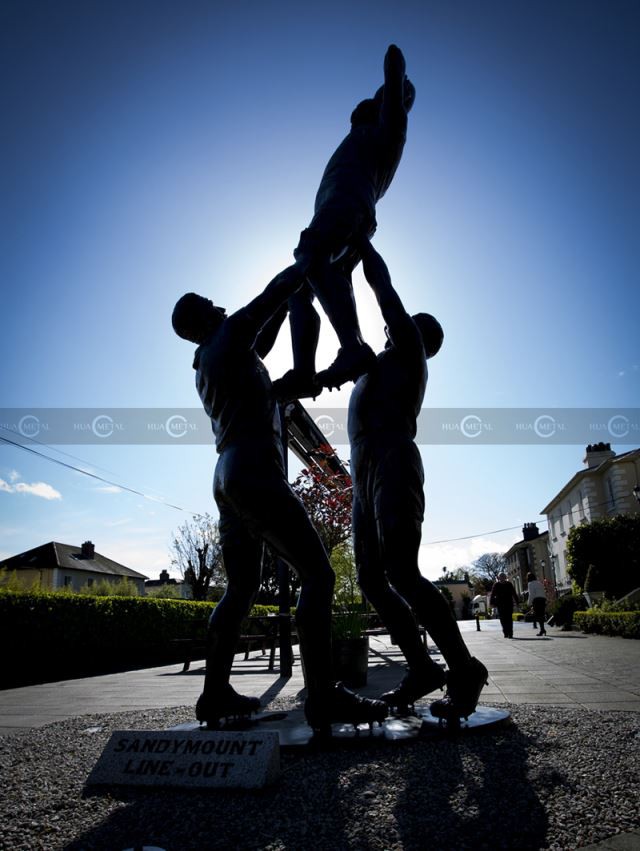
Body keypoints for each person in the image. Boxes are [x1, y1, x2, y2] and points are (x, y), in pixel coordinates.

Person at [171, 263, 387, 735]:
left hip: (225, 475)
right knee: (319, 574)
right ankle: (324, 695)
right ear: (200, 320)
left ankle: (214, 693)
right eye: (207, 303)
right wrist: (311, 257)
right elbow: (276, 292)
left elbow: (264, 340)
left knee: (241, 589)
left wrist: (295, 360)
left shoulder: (212, 357)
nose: (217, 303)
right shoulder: (227, 335)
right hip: (253, 469)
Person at [348, 237, 488, 722]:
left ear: (414, 334)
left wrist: (361, 242)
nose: (390, 327)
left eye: (400, 325)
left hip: (392, 459)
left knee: (402, 571)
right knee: (370, 576)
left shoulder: (409, 352)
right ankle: (422, 669)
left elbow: (382, 288)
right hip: (362, 470)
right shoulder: (377, 364)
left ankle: (463, 669)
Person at [273, 44, 416, 400]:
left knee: (310, 257)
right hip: (339, 211)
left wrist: (394, 83)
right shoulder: (357, 138)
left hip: (348, 208)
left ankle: (352, 346)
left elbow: (395, 76)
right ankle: (304, 372)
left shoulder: (387, 133)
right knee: (301, 286)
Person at [490, 573, 520, 638]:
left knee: (509, 619)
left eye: (503, 577)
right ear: (498, 578)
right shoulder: (496, 585)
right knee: (503, 619)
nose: (502, 578)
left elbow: (514, 593)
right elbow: (492, 594)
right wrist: (491, 603)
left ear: (505, 577)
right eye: (501, 577)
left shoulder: (509, 584)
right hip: (500, 605)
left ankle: (510, 632)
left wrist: (517, 602)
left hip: (509, 604)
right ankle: (505, 631)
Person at [527, 572, 547, 636]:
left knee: (538, 616)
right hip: (542, 599)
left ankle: (542, 630)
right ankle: (542, 629)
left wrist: (529, 603)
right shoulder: (539, 583)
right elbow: (543, 592)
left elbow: (531, 594)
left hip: (537, 600)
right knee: (541, 615)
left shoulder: (530, 584)